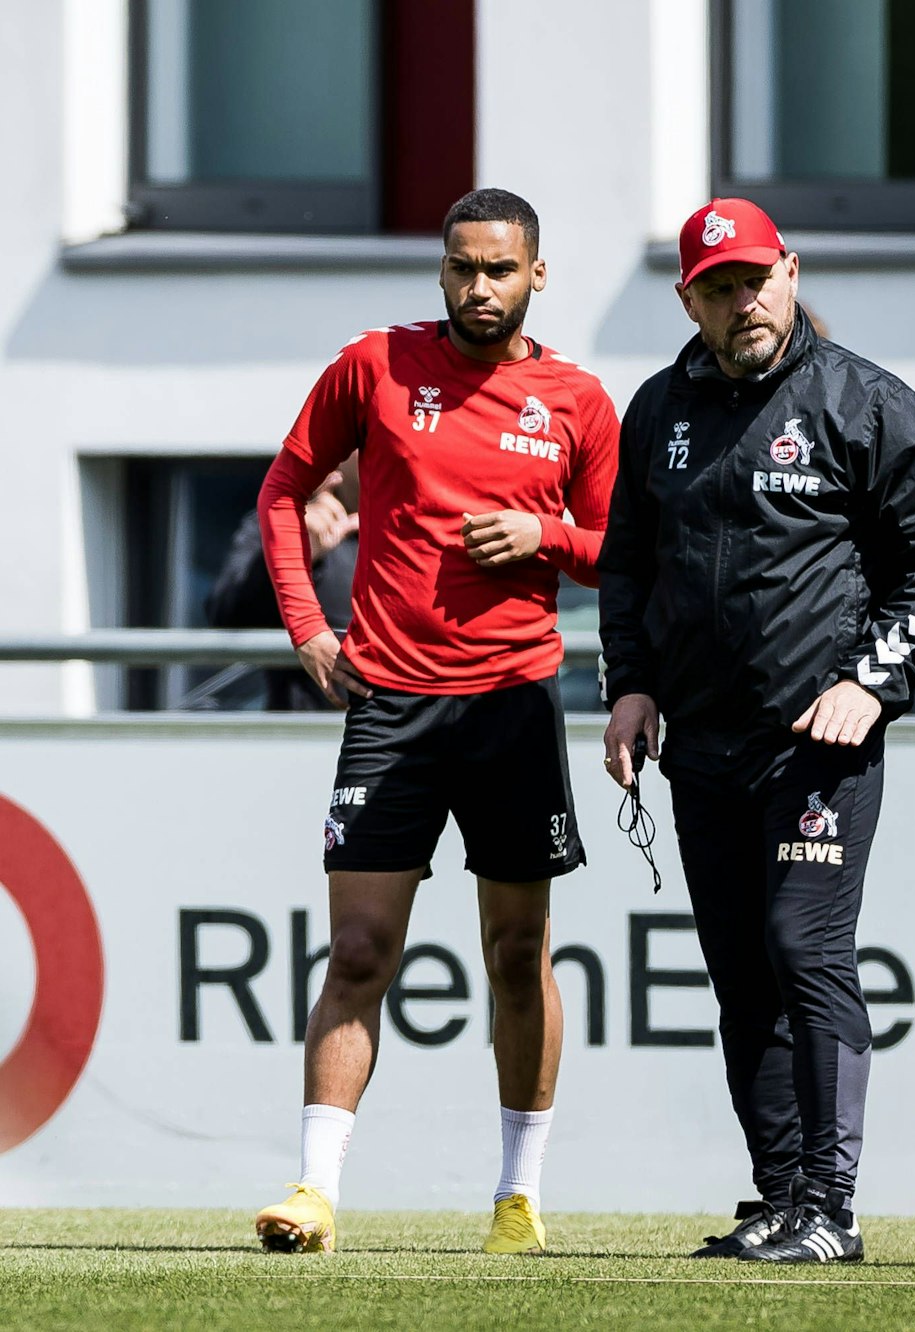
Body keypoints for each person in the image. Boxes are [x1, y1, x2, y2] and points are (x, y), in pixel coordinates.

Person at [597, 198, 915, 1264]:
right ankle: (778, 1199)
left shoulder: (865, 401)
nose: (743, 302)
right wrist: (629, 686)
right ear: (689, 300)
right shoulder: (656, 409)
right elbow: (627, 568)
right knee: (738, 970)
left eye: (758, 279)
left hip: (820, 741)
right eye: (719, 288)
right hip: (701, 744)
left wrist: (873, 682)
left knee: (801, 947)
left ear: (793, 272)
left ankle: (832, 1207)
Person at [250, 188, 619, 1256]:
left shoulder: (580, 402)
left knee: (516, 953)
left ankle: (517, 1199)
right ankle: (316, 1194)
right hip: (391, 708)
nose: (478, 287)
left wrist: (544, 533)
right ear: (442, 270)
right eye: (462, 267)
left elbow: (619, 549)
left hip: (513, 705)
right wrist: (310, 629)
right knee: (359, 949)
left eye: (499, 269)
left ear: (536, 275)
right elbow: (285, 489)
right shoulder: (374, 364)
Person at [207, 455, 358, 710]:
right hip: (307, 734)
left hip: (413, 732)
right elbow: (228, 613)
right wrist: (294, 549)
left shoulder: (429, 525)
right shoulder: (287, 519)